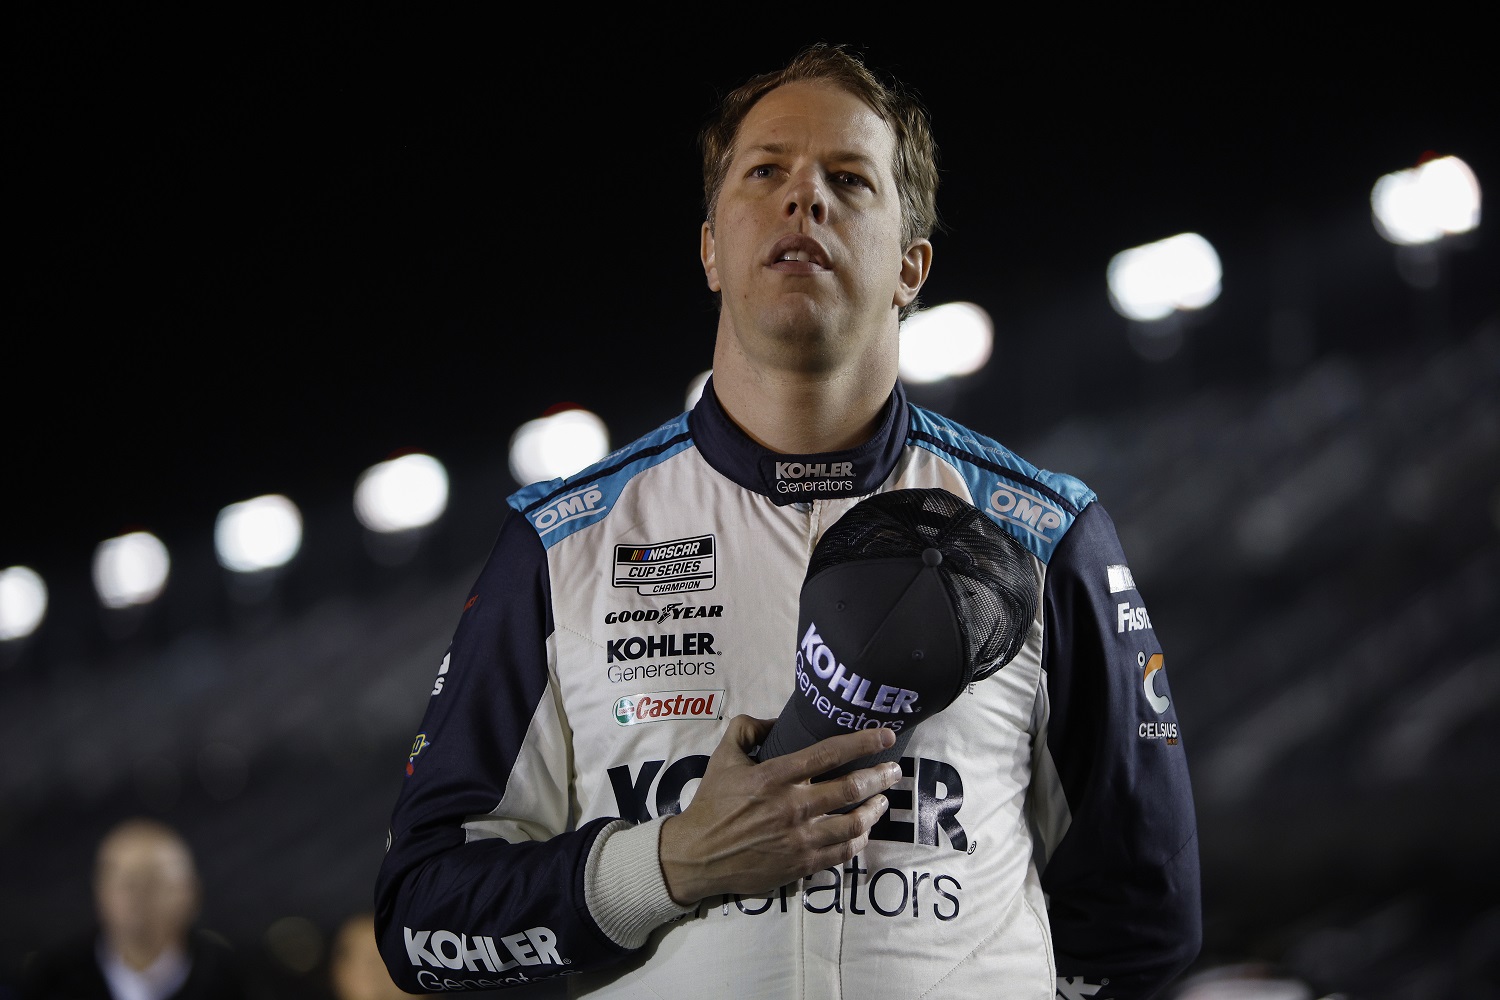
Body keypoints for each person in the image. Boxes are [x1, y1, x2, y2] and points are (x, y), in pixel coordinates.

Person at [373, 41, 1201, 999]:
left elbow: (1145, 916)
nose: (803, 198)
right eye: (766, 171)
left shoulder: (1048, 535)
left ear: (911, 266)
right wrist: (676, 863)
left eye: (848, 179)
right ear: (711, 248)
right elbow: (422, 918)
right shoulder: (562, 544)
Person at [18, 817, 248, 1000]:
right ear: (99, 891)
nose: (135, 896)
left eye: (152, 881)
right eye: (122, 880)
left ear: (190, 894)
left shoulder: (238, 982)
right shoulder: (51, 981)